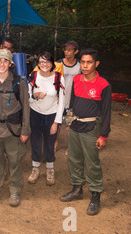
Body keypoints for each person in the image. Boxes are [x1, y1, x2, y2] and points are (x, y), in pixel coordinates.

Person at [60, 48, 111, 216]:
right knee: (74, 159)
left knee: (92, 162)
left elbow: (106, 113)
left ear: (96, 64)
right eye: (82, 62)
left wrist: (103, 135)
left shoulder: (103, 85)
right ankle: (77, 188)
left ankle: (95, 195)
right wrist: (68, 122)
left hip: (91, 127)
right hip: (75, 125)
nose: (85, 65)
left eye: (89, 62)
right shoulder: (76, 79)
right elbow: (72, 103)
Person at [0, 49, 30, 207]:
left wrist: (25, 131)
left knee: (14, 161)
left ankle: (15, 191)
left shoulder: (19, 82)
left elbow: (26, 108)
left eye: (5, 61)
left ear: (10, 64)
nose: (2, 64)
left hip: (13, 130)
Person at [27, 51, 66, 186]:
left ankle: (50, 169)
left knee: (50, 141)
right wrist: (35, 96)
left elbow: (62, 101)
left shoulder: (58, 77)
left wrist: (57, 121)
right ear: (38, 63)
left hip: (52, 114)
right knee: (35, 140)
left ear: (52, 64)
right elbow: (28, 98)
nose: (45, 64)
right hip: (35, 113)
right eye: (42, 62)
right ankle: (35, 168)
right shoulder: (33, 76)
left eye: (48, 62)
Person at [55, 40, 81, 152]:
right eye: (65, 49)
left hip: (73, 100)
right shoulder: (58, 64)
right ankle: (55, 142)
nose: (67, 52)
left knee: (70, 124)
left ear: (76, 51)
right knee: (57, 122)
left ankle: (70, 146)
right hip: (59, 99)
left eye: (70, 50)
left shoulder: (80, 65)